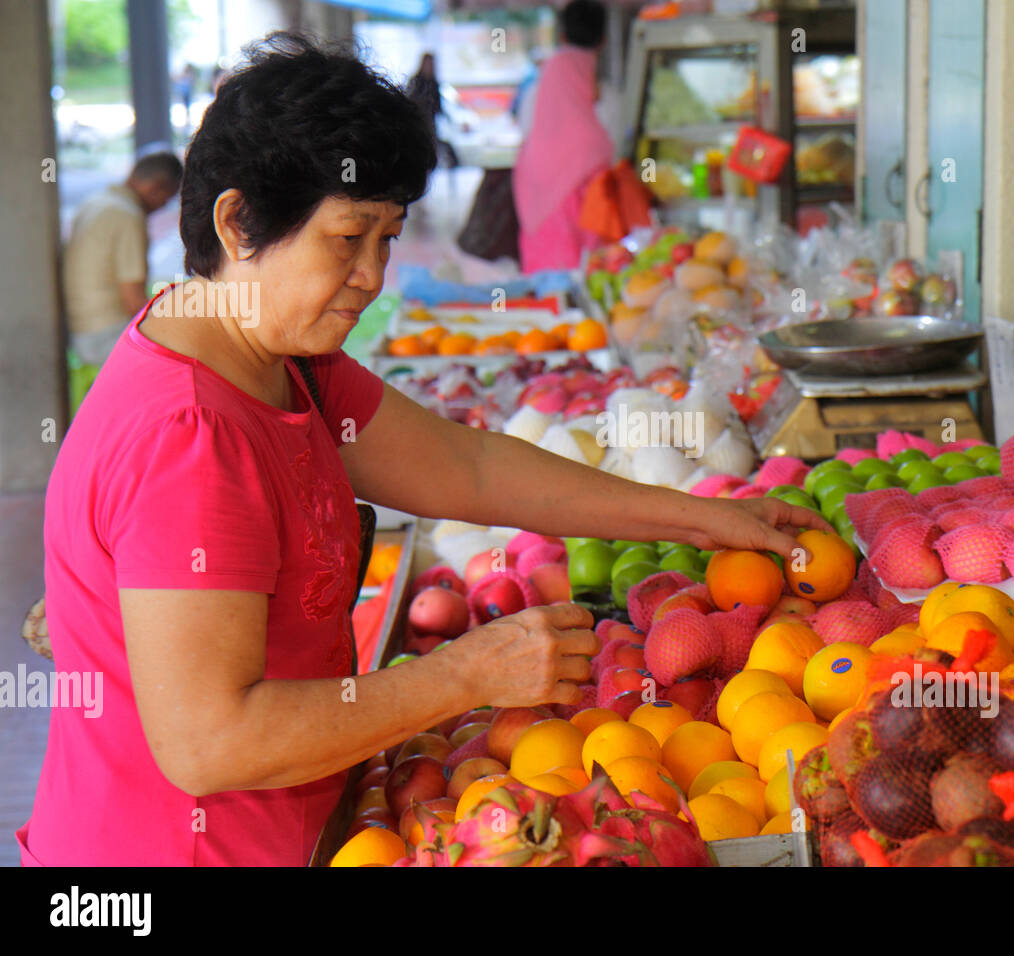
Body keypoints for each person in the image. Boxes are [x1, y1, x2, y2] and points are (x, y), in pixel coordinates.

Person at [19, 34, 827, 867]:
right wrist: (465, 677)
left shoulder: (278, 357)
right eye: (348, 237)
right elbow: (210, 744)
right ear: (236, 222)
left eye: (388, 237)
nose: (373, 275)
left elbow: (468, 467)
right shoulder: (191, 434)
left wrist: (702, 519)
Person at [511, 0, 612, 273]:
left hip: (539, 181)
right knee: (588, 272)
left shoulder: (548, 72)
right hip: (587, 178)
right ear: (603, 40)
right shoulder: (594, 79)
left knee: (549, 277)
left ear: (563, 34)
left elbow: (525, 123)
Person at [61, 151, 183, 368]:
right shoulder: (128, 216)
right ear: (156, 187)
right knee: (180, 357)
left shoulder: (96, 202)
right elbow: (134, 302)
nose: (164, 206)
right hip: (104, 336)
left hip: (78, 332)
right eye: (167, 198)